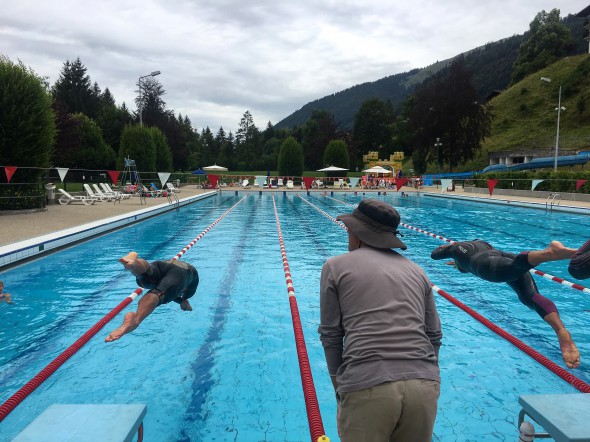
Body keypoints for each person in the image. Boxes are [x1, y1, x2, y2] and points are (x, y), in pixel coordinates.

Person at [319, 199, 442, 442]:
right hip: (424, 386)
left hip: (368, 385)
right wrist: (422, 374)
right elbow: (434, 335)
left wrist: (340, 390)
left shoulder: (335, 267)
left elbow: (332, 336)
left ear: (357, 233)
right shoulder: (417, 271)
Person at [431, 239, 580, 369]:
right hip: (503, 258)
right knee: (530, 296)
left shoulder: (454, 248)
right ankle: (560, 330)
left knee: (515, 271)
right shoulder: (479, 244)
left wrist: (449, 250)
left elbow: (435, 255)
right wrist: (459, 262)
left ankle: (549, 254)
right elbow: (470, 259)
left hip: (487, 267)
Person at [105, 252, 198, 342]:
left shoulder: (171, 275)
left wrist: (180, 300)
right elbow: (175, 293)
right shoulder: (190, 288)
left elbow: (172, 291)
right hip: (182, 272)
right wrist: (184, 301)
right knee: (158, 292)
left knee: (147, 272)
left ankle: (134, 262)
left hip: (161, 265)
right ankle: (135, 320)